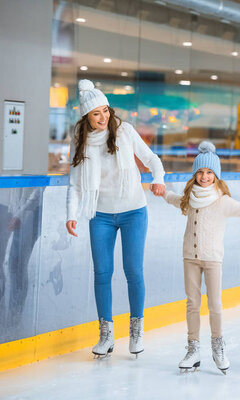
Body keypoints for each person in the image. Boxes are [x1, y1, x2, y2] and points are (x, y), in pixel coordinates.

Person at [66, 79, 166, 358]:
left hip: (134, 211)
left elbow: (151, 158)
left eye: (106, 111)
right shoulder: (81, 143)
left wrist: (158, 179)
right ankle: (106, 335)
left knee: (133, 270)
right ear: (86, 116)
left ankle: (136, 330)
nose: (103, 117)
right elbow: (74, 184)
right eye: (96, 113)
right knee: (102, 273)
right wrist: (71, 215)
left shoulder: (125, 132)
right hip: (99, 215)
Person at [162, 141, 240, 373]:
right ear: (195, 174)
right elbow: (172, 197)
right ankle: (193, 348)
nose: (204, 177)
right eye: (201, 172)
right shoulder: (189, 198)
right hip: (190, 258)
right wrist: (160, 190)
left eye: (209, 173)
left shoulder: (223, 202)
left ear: (216, 176)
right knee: (192, 304)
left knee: (215, 304)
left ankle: (217, 346)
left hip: (213, 259)